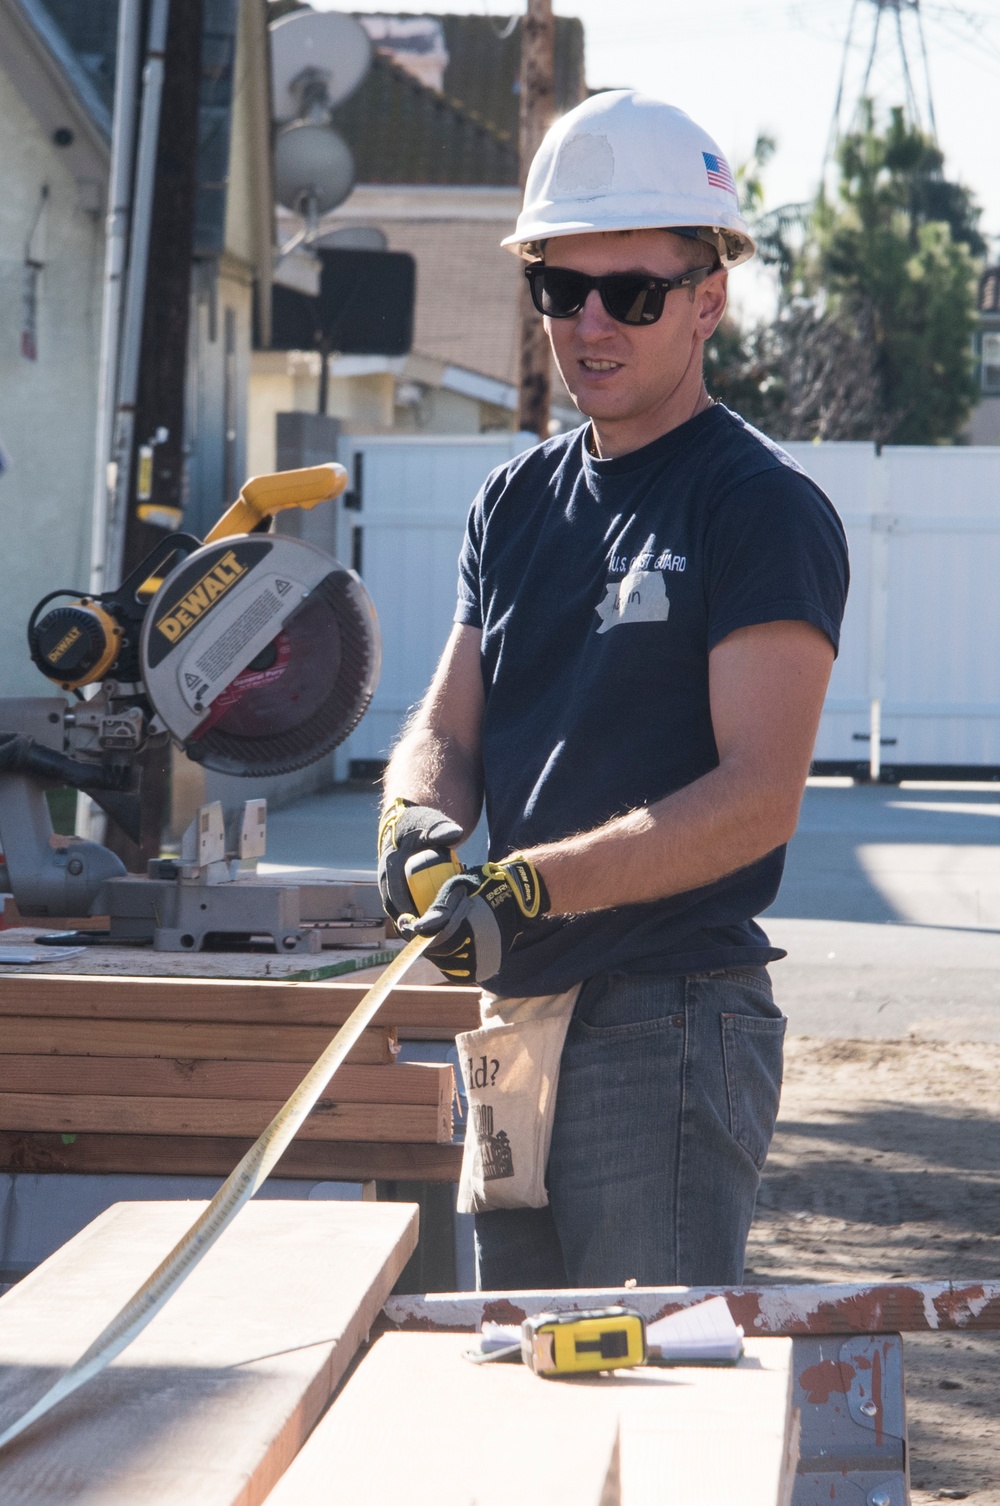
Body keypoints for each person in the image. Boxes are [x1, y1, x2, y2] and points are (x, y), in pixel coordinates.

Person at [377, 91, 849, 1292]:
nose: (591, 323)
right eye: (559, 289)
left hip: (669, 1018)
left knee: (641, 1393)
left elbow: (758, 797)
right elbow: (447, 720)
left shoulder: (757, 508)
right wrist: (415, 820)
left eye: (631, 293)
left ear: (708, 298)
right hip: (519, 1016)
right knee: (518, 1381)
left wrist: (531, 880)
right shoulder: (515, 500)